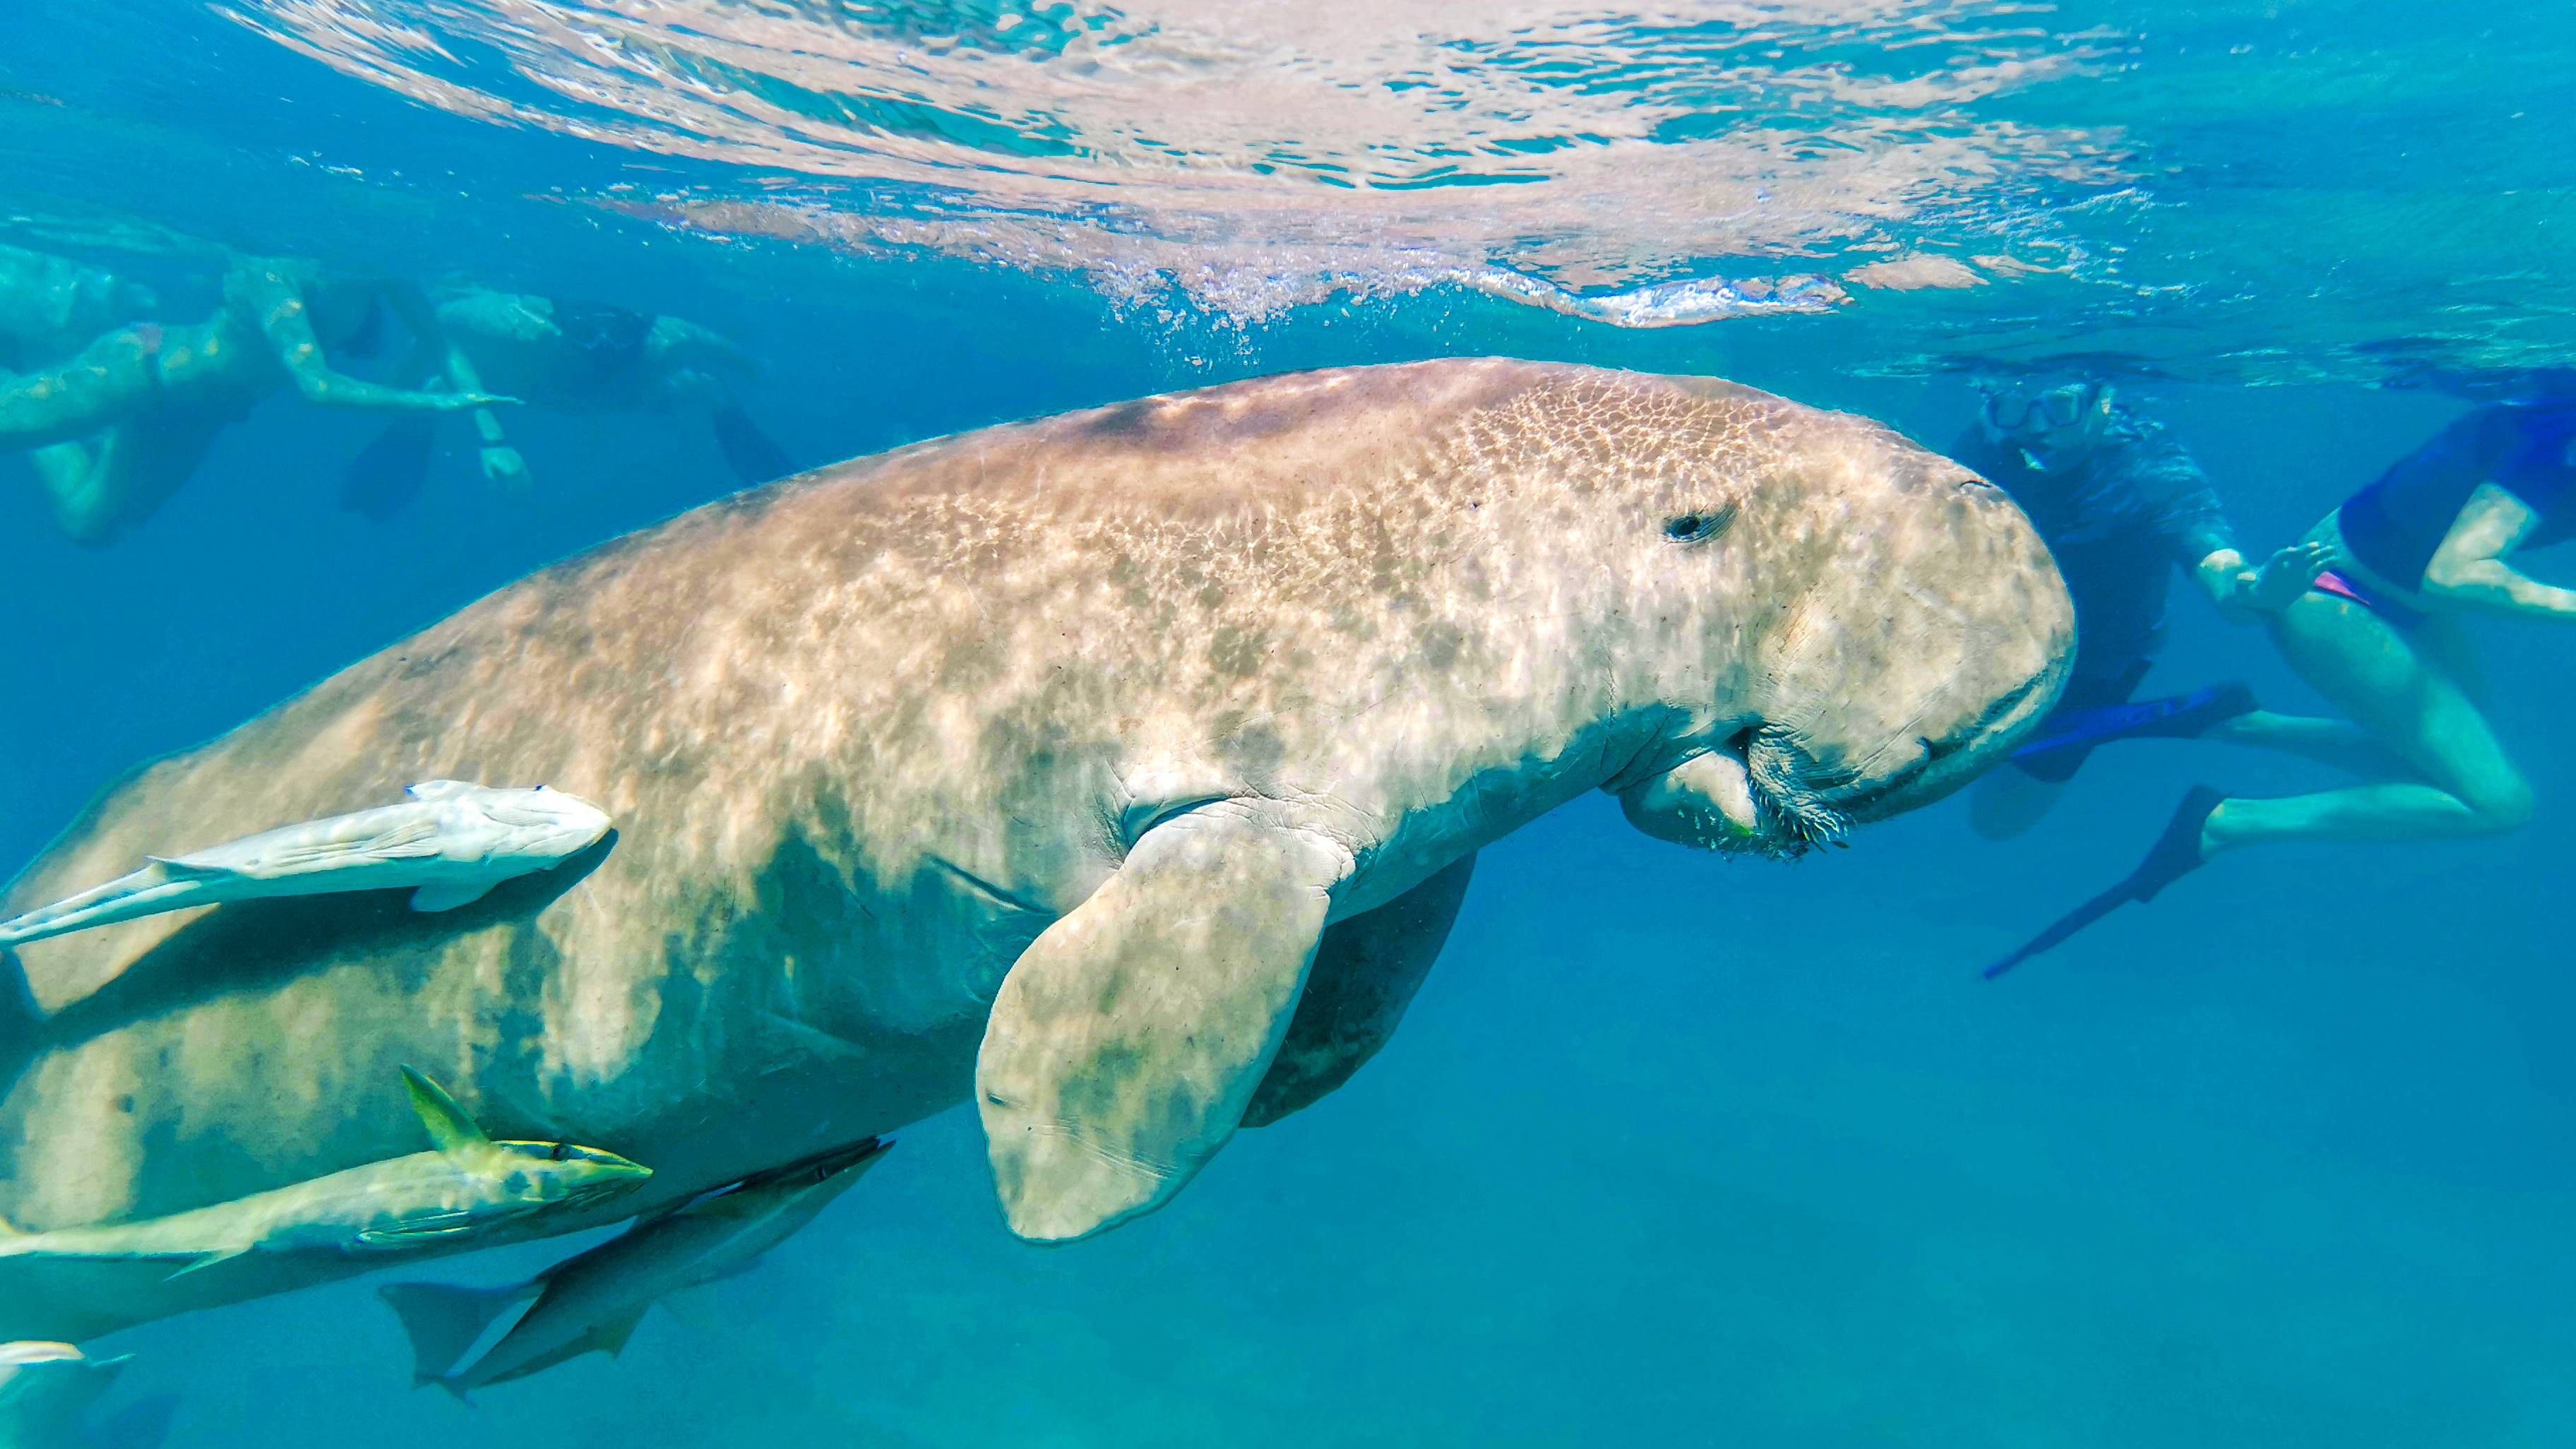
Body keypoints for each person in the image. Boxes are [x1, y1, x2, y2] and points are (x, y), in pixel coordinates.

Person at [1987, 392, 2576, 976]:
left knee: (2455, 767)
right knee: (2500, 803)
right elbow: (2457, 574)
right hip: (2340, 599)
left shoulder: (2554, 408)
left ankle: (2232, 722)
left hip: (2394, 594)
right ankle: (2228, 823)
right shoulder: (2556, 438)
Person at [1950, 379, 2322, 840]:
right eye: (2011, 407)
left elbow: (2225, 581)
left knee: (1997, 821)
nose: (2035, 425)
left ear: (2103, 401)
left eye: (2061, 406)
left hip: (2092, 665)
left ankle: (2200, 718)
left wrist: (2257, 592)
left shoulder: (2146, 463)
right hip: (1992, 641)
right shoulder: (1985, 441)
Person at [0, 254, 502, 544]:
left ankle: (20, 373)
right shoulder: (273, 276)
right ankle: (20, 376)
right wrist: (433, 405)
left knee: (92, 528)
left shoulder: (382, 273)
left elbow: (439, 343)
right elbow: (317, 386)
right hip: (142, 370)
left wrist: (492, 437)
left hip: (204, 409)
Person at [338, 287, 792, 518]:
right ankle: (770, 473)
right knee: (704, 384)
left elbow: (690, 338)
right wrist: (751, 364)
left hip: (589, 384)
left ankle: (770, 474)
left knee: (704, 384)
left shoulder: (488, 322)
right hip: (607, 385)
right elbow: (686, 335)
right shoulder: (498, 325)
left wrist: (491, 440)